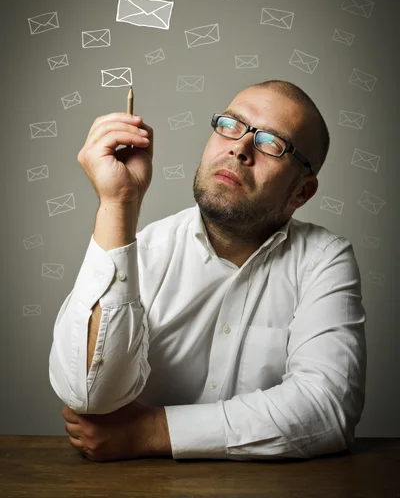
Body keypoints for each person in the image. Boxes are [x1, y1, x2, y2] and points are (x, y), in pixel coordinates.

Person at [49, 80, 367, 462]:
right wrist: (119, 205)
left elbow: (326, 409)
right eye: (231, 125)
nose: (240, 147)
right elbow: (88, 396)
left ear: (301, 192)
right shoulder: (144, 252)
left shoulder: (324, 260)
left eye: (271, 142)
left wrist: (148, 431)